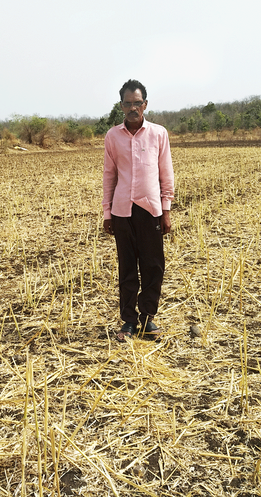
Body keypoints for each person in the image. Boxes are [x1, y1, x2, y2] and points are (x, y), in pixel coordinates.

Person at [102, 79, 174, 341]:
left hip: (150, 209)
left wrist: (165, 210)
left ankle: (147, 318)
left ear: (145, 104)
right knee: (128, 268)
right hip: (122, 211)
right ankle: (129, 321)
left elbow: (166, 174)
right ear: (121, 106)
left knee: (153, 266)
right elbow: (109, 176)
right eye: (128, 103)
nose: (133, 108)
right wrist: (107, 213)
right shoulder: (113, 136)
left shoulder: (158, 134)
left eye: (137, 103)